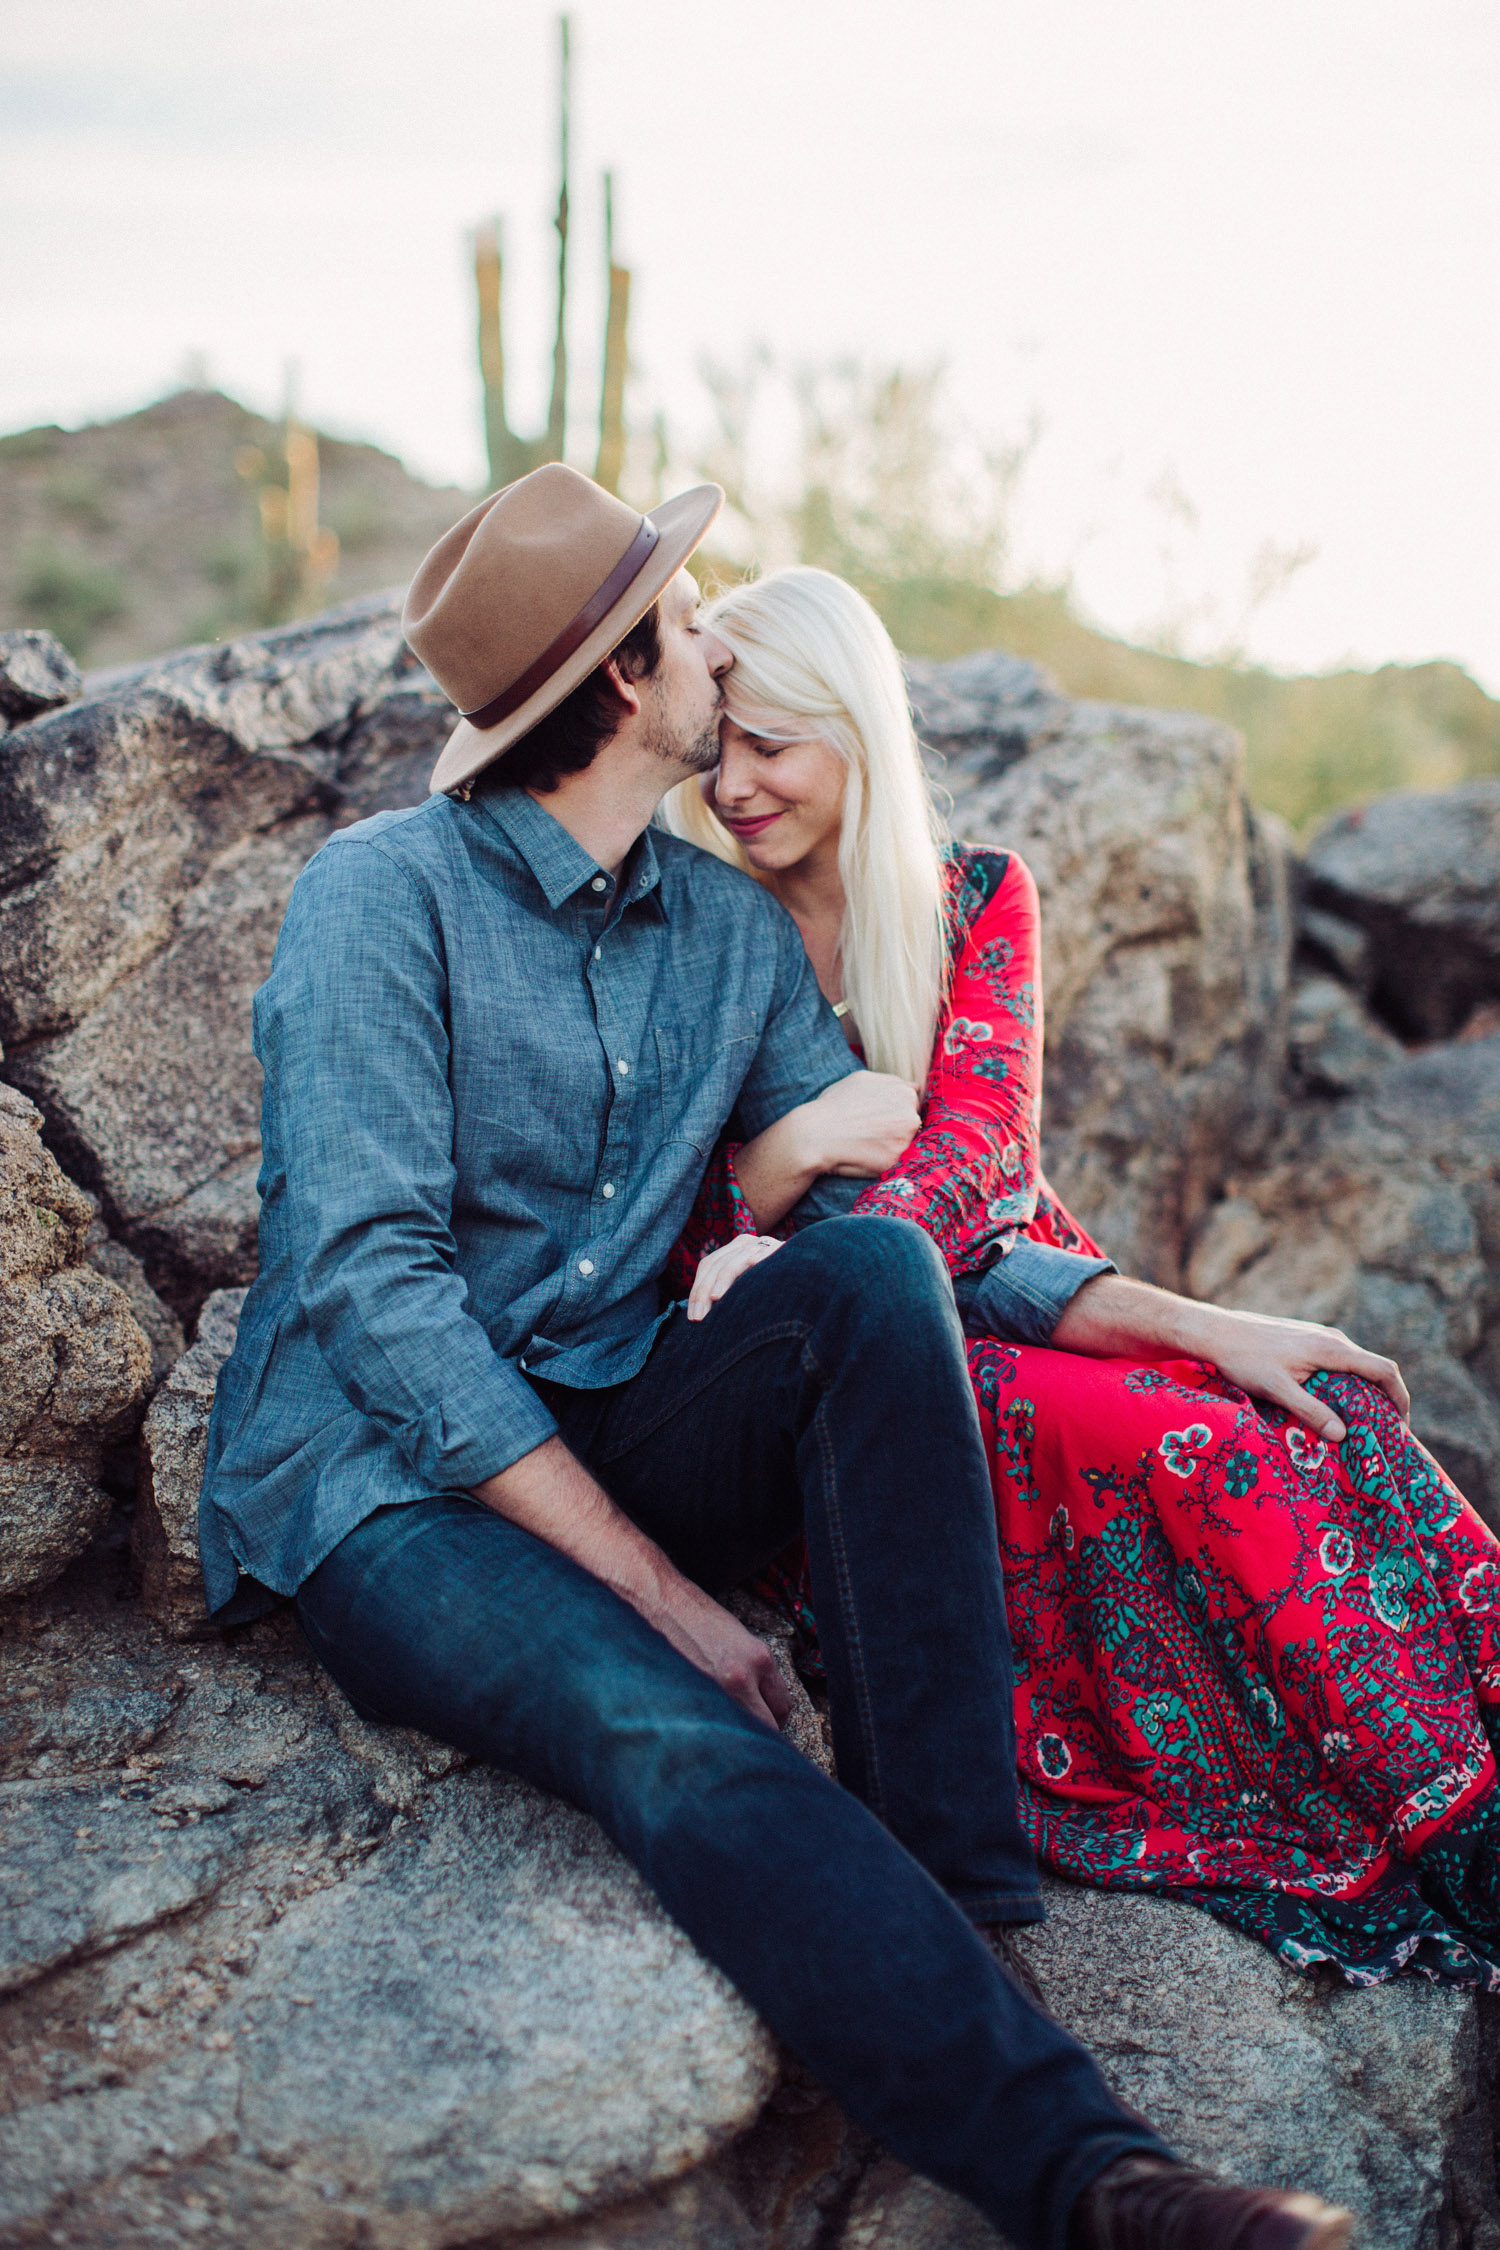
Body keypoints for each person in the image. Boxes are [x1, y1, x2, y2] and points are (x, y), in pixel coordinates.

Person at [201, 465, 1355, 2250]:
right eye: (679, 626)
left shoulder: (724, 934)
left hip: (611, 1401)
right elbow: (378, 1295)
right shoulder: (382, 901)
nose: (707, 646)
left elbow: (922, 1241)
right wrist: (662, 1590)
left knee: (874, 1277)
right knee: (667, 1735)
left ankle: (955, 1913)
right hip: (386, 1485)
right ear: (615, 686)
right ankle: (1096, 2181)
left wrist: (1187, 1324)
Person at [661, 562, 1500, 1994]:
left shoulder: (977, 898)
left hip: (1009, 1289)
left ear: (857, 729)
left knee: (1324, 1414)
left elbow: (984, 1164)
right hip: (850, 1378)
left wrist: (1205, 1323)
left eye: (774, 741)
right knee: (1182, 1446)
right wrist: (778, 1164)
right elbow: (678, 1243)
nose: (737, 782)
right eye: (717, 744)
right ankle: (1374, 1826)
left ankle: (1464, 1800)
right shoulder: (691, 936)